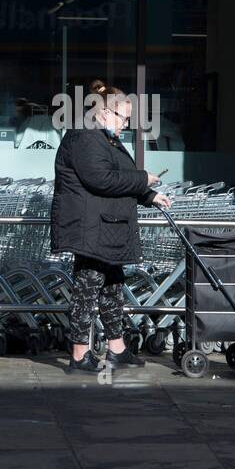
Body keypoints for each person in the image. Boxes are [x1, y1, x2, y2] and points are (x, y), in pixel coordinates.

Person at [51, 80, 171, 373]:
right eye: (124, 118)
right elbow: (100, 179)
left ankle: (116, 348)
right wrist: (143, 180)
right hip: (89, 229)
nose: (126, 124)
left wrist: (148, 194)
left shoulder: (105, 139)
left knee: (113, 286)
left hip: (106, 227)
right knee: (87, 289)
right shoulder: (86, 137)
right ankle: (79, 354)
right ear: (104, 112)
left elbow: (120, 175)